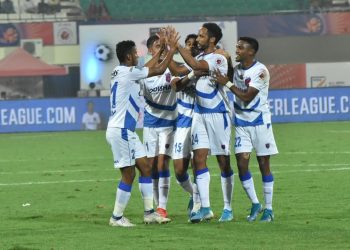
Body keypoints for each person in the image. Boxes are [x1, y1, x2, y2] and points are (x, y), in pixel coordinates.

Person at [106, 33, 178, 227]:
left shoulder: (121, 71)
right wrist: (170, 50)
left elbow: (146, 67)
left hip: (126, 131)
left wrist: (161, 50)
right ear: (129, 56)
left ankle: (149, 213)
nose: (138, 56)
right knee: (129, 175)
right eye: (135, 53)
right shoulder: (128, 72)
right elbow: (159, 69)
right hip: (121, 130)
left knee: (146, 168)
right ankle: (117, 217)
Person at [213, 37, 278, 222]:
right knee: (242, 165)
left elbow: (246, 96)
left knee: (263, 165)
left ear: (251, 52)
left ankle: (269, 209)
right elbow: (229, 70)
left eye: (241, 48)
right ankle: (256, 203)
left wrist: (226, 82)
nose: (237, 50)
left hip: (259, 122)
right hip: (241, 123)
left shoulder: (260, 71)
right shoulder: (238, 70)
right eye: (237, 47)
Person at [176, 23, 234, 223]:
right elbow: (181, 68)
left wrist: (178, 47)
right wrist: (169, 48)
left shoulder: (218, 57)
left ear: (211, 39)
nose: (197, 39)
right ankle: (206, 208)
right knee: (198, 159)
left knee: (223, 162)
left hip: (218, 113)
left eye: (201, 36)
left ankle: (228, 207)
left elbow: (197, 67)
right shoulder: (199, 57)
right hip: (199, 113)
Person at [140, 33, 178, 219]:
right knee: (151, 165)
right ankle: (155, 206)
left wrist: (169, 50)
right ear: (150, 50)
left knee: (163, 163)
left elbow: (179, 74)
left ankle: (162, 206)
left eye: (162, 45)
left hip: (168, 124)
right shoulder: (145, 73)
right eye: (157, 45)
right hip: (150, 123)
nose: (161, 48)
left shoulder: (170, 68)